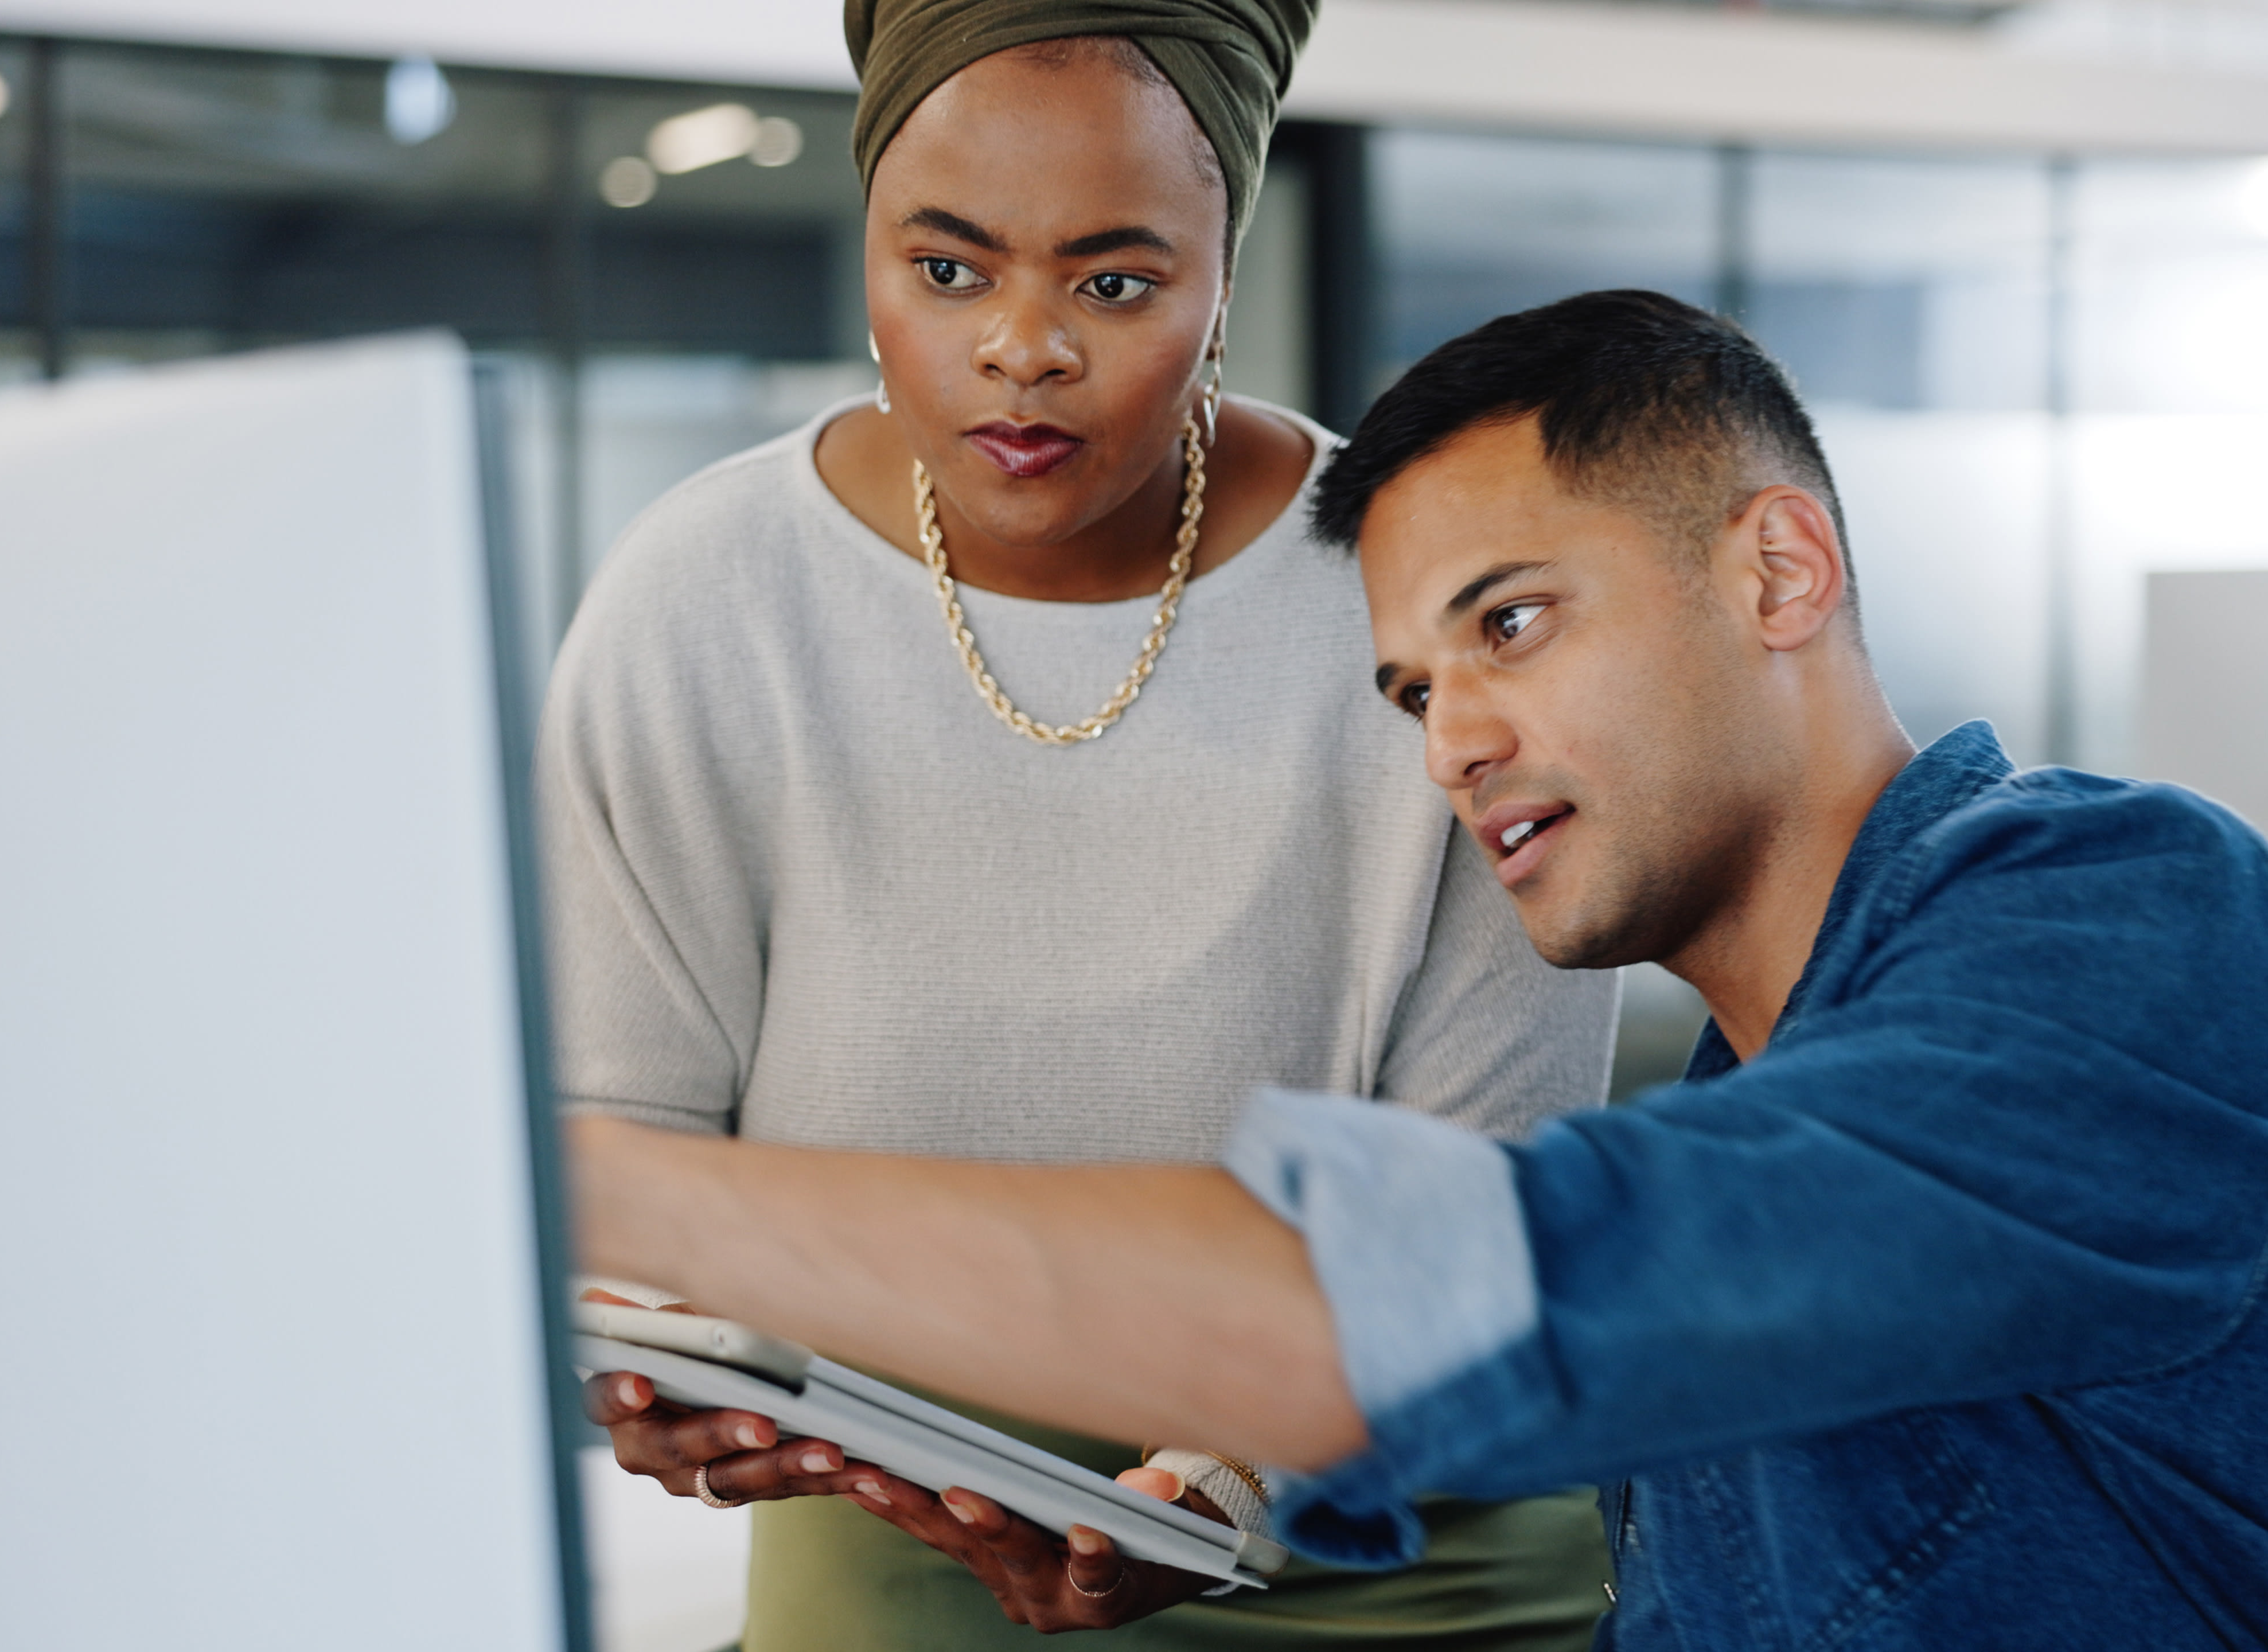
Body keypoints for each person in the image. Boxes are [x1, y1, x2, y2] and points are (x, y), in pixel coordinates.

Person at [568, 289, 2268, 1650]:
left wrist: (593, 1183)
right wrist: (1201, 1516)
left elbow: (1416, 1305)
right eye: (1416, 686)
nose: (1452, 743)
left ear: (1779, 573)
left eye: (1513, 626)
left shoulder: (2125, 921)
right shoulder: (1763, 1080)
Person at [545, 2, 1620, 1645]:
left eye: (1115, 283)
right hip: (893, 1511)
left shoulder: (1412, 602)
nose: (1023, 349)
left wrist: (1227, 1476)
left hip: (1399, 1529)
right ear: (869, 258)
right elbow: (614, 1149)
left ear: (1224, 278)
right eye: (950, 269)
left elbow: (1492, 1188)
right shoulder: (702, 603)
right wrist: (660, 1351)